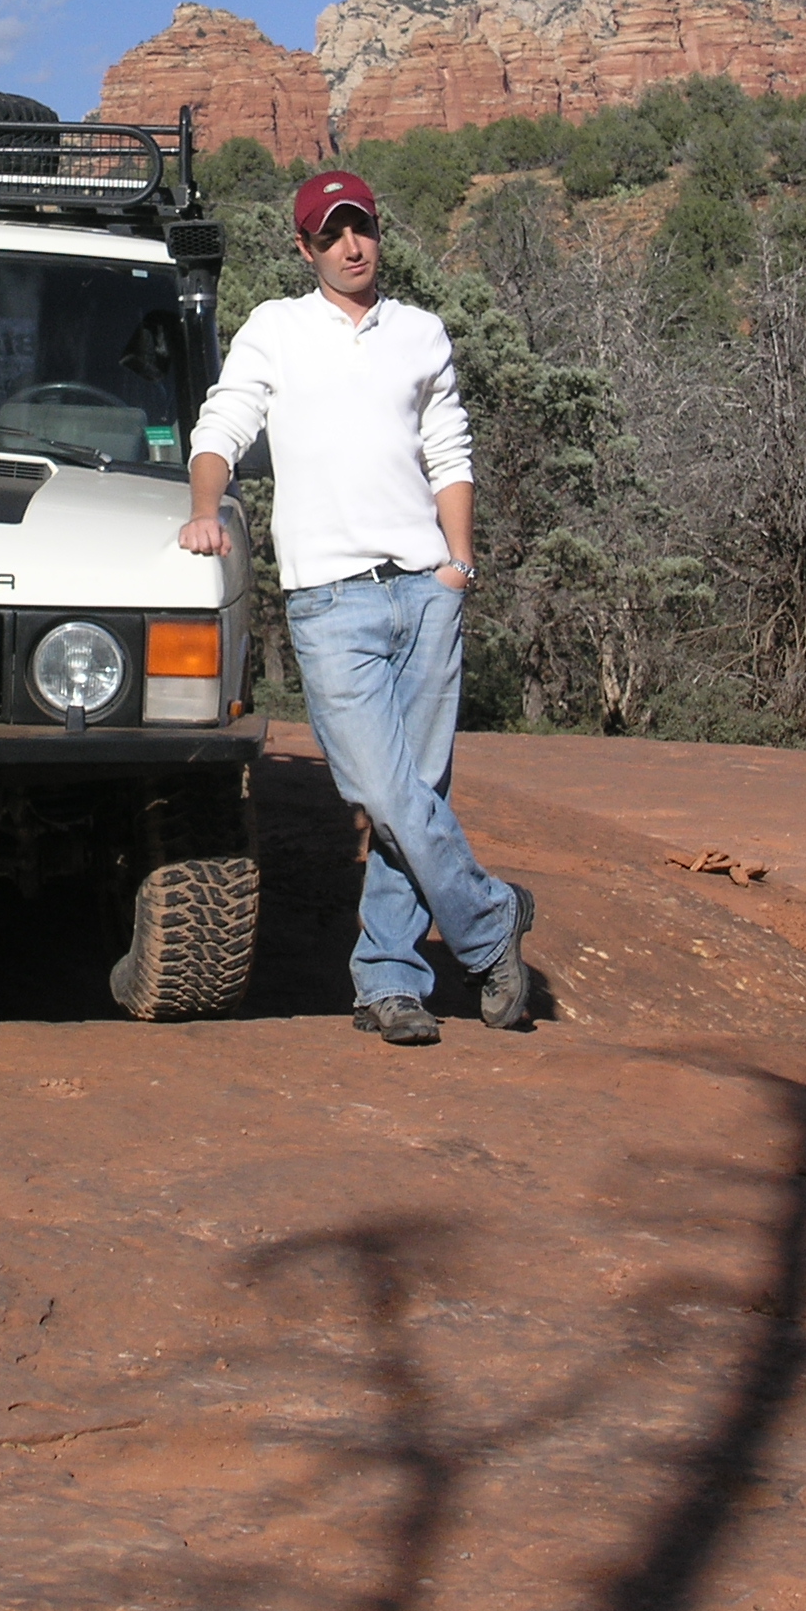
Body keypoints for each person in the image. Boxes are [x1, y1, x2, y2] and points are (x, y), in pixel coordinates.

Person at [178, 169, 533, 1047]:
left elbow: (449, 450)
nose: (351, 245)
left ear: (377, 232)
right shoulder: (276, 329)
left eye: (361, 228)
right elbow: (221, 427)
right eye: (331, 233)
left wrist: (458, 565)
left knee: (414, 795)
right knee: (380, 788)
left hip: (425, 589)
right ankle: (491, 921)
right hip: (329, 600)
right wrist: (203, 508)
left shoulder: (420, 332)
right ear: (305, 248)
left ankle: (389, 983)